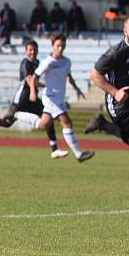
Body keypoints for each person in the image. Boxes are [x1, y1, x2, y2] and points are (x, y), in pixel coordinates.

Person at [0, 40, 68, 159]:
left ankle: (55, 149)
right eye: (30, 50)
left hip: (33, 99)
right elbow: (30, 80)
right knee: (6, 123)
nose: (33, 52)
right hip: (21, 99)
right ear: (26, 51)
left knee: (47, 118)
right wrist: (45, 86)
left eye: (35, 50)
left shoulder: (37, 63)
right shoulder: (25, 63)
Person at [85, 16, 129, 179]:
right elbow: (95, 75)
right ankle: (104, 124)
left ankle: (102, 124)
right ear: (125, 31)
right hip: (121, 106)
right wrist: (115, 92)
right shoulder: (116, 53)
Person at [27, 33, 94, 163]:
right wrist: (33, 92)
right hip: (50, 98)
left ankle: (19, 115)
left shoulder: (67, 61)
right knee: (66, 122)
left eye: (63, 46)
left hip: (59, 99)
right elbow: (34, 78)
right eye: (58, 46)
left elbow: (68, 76)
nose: (60, 49)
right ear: (53, 46)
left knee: (43, 124)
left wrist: (77, 89)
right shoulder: (47, 62)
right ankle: (79, 154)